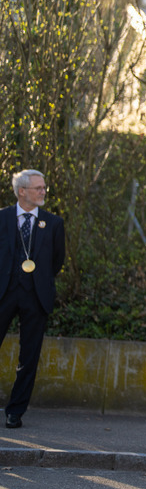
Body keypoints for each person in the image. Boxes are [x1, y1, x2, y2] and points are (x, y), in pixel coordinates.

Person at [0, 170, 65, 429]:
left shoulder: (53, 223)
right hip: (3, 293)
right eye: (38, 188)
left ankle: (15, 411)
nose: (43, 192)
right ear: (21, 192)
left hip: (36, 296)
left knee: (29, 357)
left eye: (44, 187)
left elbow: (56, 261)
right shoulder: (2, 218)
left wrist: (40, 281)